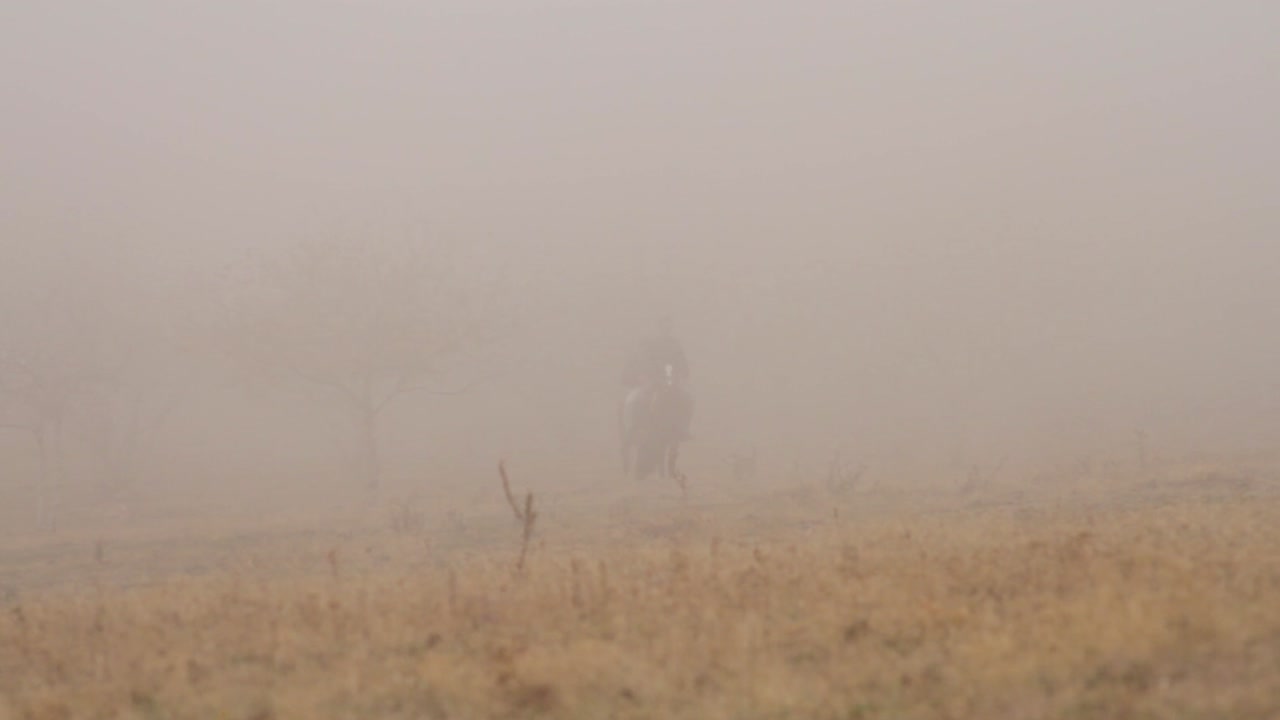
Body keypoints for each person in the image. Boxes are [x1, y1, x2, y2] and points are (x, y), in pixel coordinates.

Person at [621, 316, 693, 441]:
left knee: (688, 398)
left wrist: (683, 372)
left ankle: (683, 427)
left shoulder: (675, 345)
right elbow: (644, 361)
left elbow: (683, 363)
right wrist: (646, 376)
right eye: (663, 326)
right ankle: (631, 428)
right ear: (658, 327)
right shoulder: (650, 344)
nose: (666, 329)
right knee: (633, 400)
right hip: (652, 381)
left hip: (670, 381)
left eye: (668, 326)